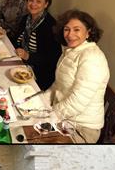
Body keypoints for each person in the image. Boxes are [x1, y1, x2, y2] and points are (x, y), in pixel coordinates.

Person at [45, 10, 109, 143]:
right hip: (64, 116)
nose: (70, 35)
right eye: (66, 29)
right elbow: (57, 85)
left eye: (76, 29)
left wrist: (53, 114)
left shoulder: (92, 57)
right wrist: (41, 100)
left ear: (88, 32)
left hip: (82, 128)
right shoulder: (70, 50)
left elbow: (78, 101)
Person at [10, 0, 61, 90]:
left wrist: (28, 56)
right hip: (20, 63)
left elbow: (52, 59)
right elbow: (16, 40)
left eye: (38, 1)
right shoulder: (26, 19)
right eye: (31, 0)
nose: (33, 4)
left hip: (39, 74)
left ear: (46, 4)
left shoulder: (50, 26)